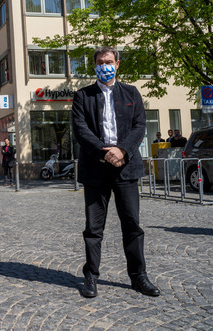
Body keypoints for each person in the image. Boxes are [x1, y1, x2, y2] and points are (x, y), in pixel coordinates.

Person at [72, 46, 160, 299]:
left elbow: (139, 126)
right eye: (100, 62)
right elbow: (81, 130)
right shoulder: (83, 96)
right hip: (96, 170)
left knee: (132, 224)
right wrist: (105, 152)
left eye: (108, 61)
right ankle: (91, 276)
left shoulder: (131, 93)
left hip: (126, 168)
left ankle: (138, 276)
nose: (104, 65)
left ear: (117, 64)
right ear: (94, 66)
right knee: (93, 228)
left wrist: (122, 151)